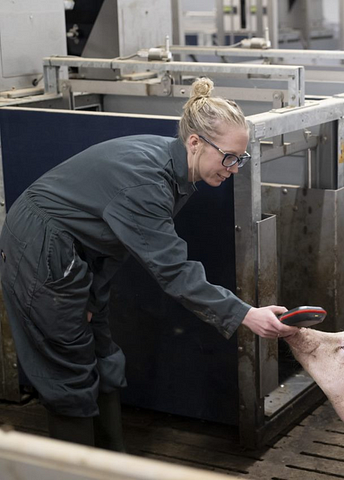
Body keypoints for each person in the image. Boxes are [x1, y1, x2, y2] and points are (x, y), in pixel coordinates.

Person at [0, 77, 298, 451]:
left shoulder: (175, 171)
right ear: (195, 142)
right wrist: (244, 315)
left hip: (78, 254)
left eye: (241, 158)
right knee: (69, 372)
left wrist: (91, 302)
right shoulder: (148, 181)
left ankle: (112, 463)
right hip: (40, 250)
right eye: (229, 157)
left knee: (103, 354)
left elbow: (118, 243)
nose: (235, 167)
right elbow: (173, 270)